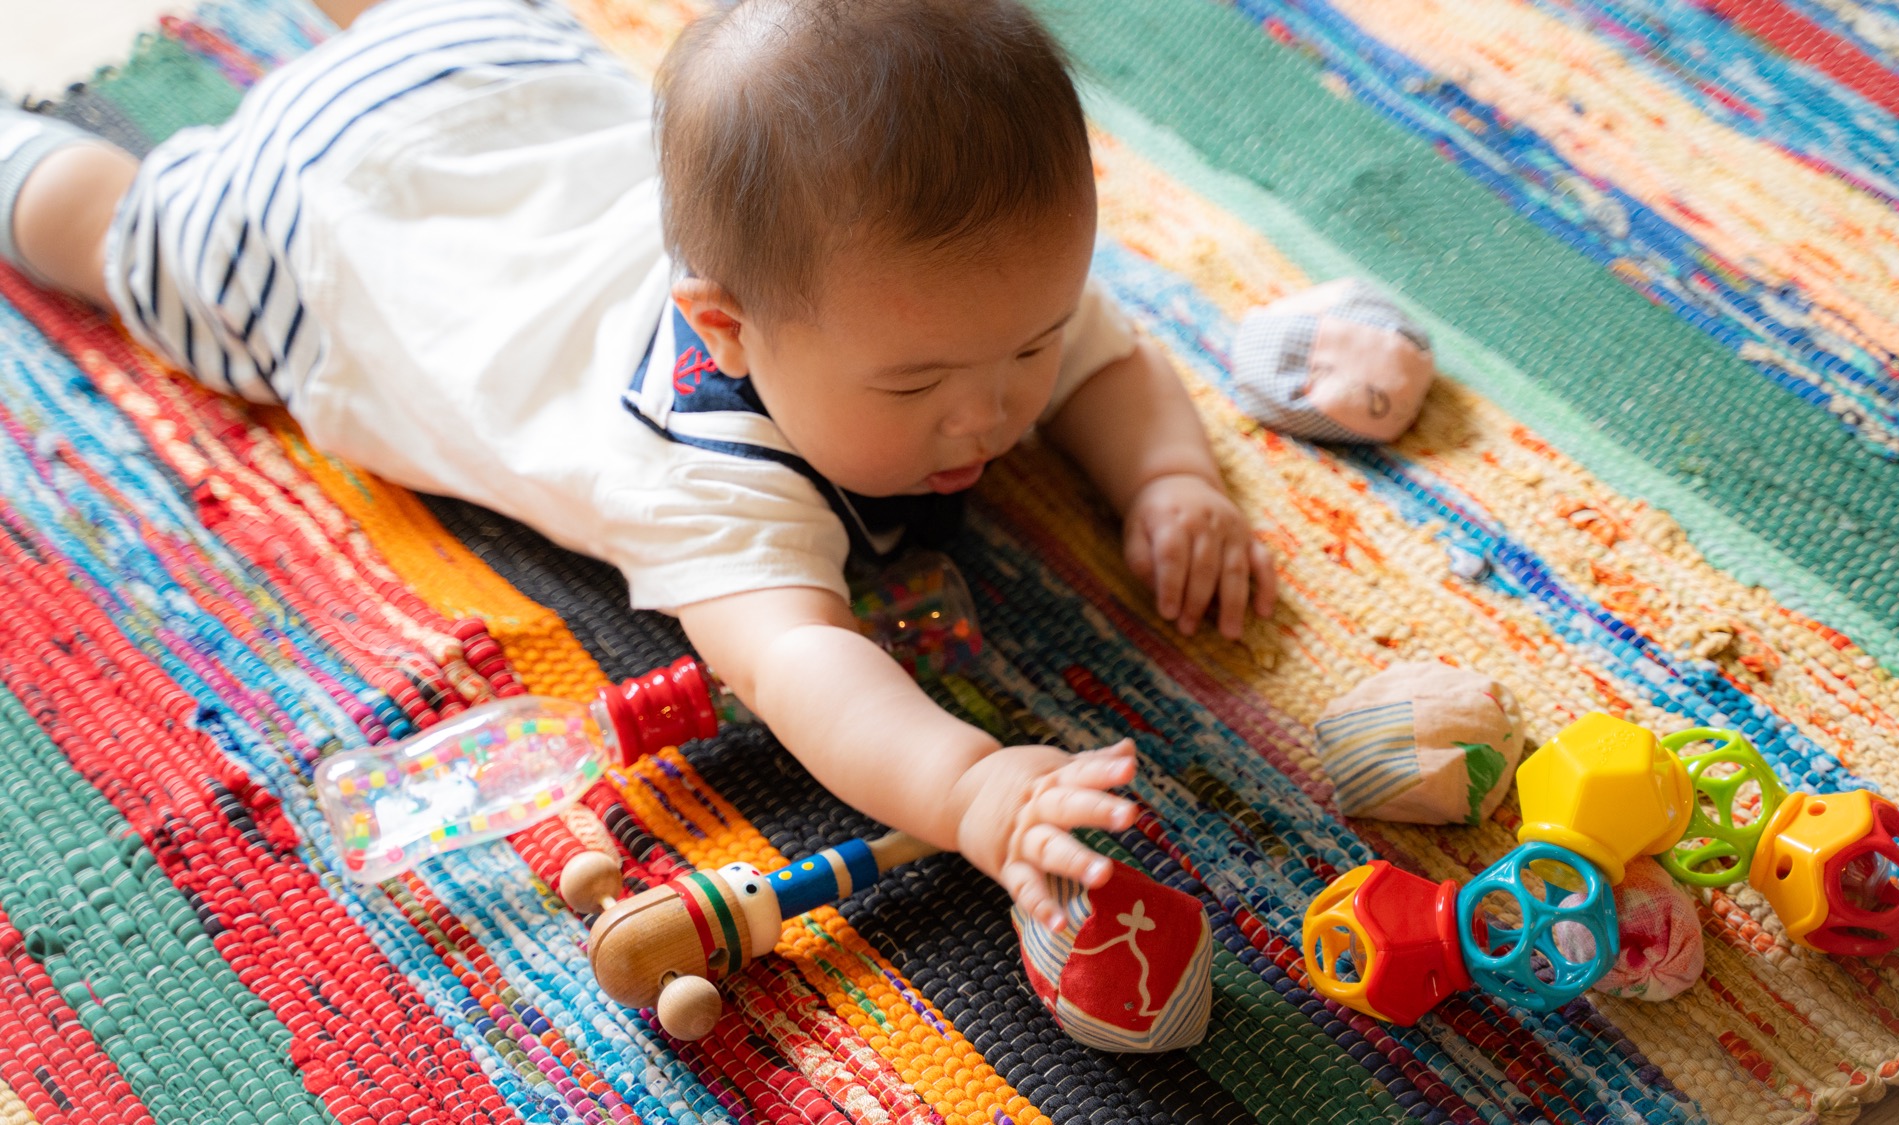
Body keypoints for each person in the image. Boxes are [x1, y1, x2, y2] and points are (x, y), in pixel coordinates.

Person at [0, 0, 1276, 931]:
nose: (994, 413)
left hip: (489, 63)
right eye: (914, 388)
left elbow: (1109, 362)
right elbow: (795, 660)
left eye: (1030, 344)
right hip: (320, 235)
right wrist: (970, 783)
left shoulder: (961, 296)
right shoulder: (702, 464)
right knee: (111, 228)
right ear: (725, 329)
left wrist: (1167, 474)